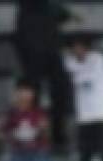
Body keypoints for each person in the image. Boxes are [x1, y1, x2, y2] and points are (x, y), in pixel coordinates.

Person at [13, 0, 74, 149]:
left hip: (36, 53)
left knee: (39, 94)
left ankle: (39, 131)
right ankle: (54, 133)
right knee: (55, 94)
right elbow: (65, 16)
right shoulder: (46, 7)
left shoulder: (27, 8)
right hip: (47, 51)